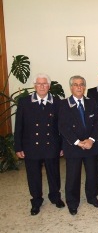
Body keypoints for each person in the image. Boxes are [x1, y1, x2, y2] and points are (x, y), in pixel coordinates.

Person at [14, 73, 65, 216]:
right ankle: (36, 200)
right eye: (39, 84)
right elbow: (19, 126)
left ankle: (55, 196)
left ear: (49, 86)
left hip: (52, 145)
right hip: (31, 146)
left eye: (44, 84)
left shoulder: (57, 102)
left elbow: (61, 126)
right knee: (33, 175)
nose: (42, 86)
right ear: (34, 86)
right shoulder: (24, 102)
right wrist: (18, 147)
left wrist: (62, 146)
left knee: (54, 174)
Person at [58, 75, 98, 215]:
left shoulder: (91, 102)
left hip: (90, 145)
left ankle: (92, 197)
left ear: (85, 87)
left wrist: (91, 140)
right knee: (73, 176)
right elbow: (63, 127)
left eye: (81, 84)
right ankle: (72, 202)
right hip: (73, 147)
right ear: (71, 87)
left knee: (92, 174)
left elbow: (97, 123)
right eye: (76, 84)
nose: (79, 87)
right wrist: (78, 142)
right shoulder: (64, 104)